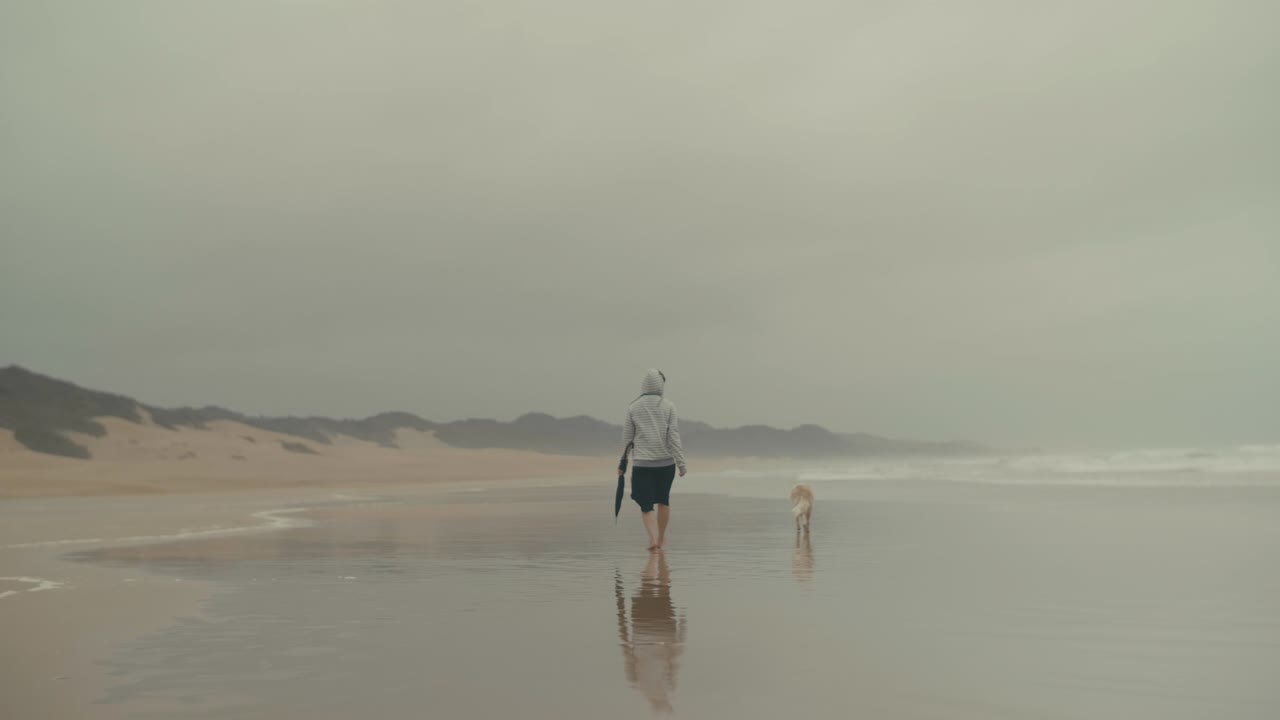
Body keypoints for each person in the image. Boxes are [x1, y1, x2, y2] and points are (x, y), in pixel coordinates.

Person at [620, 369, 687, 550]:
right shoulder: (669, 406)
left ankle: (653, 539)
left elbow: (627, 439)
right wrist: (681, 463)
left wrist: (623, 463)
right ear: (661, 385)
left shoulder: (633, 407)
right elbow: (674, 436)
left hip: (643, 464)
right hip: (666, 464)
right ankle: (662, 538)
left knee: (646, 505)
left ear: (644, 385)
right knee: (664, 500)